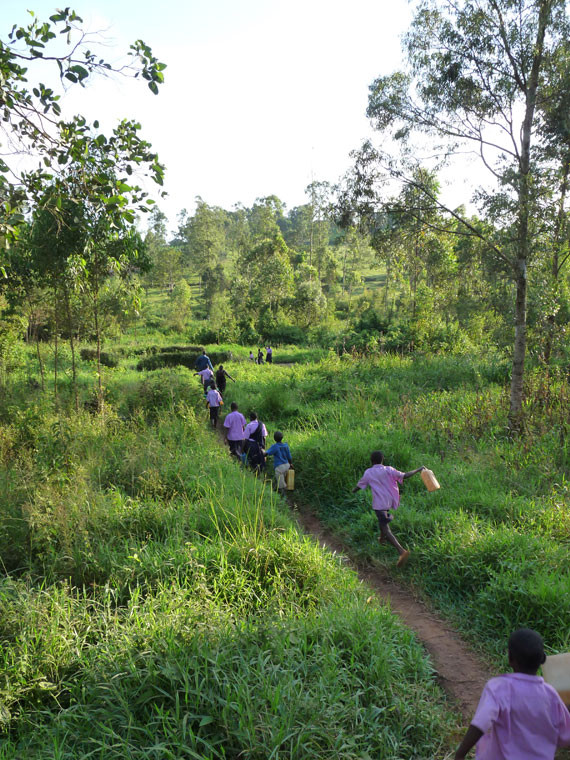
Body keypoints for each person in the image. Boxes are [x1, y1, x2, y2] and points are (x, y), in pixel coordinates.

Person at [455, 628, 570, 760]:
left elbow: (480, 723)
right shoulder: (551, 695)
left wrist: (460, 754)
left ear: (510, 658)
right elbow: (565, 736)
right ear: (542, 659)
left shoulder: (499, 687)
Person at [352, 450, 425, 567]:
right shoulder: (389, 469)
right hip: (389, 500)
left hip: (379, 503)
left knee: (385, 526)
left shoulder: (368, 472)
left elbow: (360, 485)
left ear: (371, 461)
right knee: (382, 522)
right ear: (382, 459)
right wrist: (418, 469)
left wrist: (353, 491)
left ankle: (401, 551)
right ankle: (382, 540)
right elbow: (405, 475)